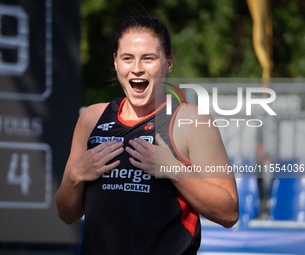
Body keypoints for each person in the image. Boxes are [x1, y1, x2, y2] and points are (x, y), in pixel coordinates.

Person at [56, 15, 239, 254]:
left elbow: (229, 212)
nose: (137, 68)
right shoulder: (92, 118)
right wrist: (77, 175)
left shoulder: (191, 121)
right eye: (127, 58)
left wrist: (173, 169)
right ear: (115, 62)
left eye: (149, 58)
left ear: (168, 63)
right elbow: (66, 214)